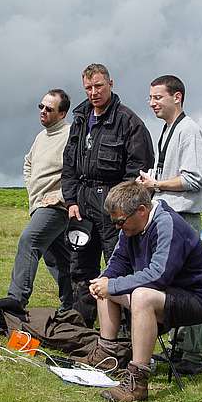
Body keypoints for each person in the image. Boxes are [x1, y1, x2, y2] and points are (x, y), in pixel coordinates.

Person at [85, 181, 202, 402]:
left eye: (120, 221)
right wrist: (104, 281)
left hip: (198, 299)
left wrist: (113, 286)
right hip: (166, 295)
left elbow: (159, 275)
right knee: (107, 285)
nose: (118, 228)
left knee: (141, 295)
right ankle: (108, 356)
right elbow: (118, 260)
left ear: (141, 211)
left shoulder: (168, 224)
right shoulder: (131, 228)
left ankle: (137, 382)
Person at [61, 63, 154, 327]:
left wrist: (121, 207)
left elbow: (139, 169)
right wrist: (71, 201)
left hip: (115, 204)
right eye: (88, 87)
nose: (93, 92)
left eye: (99, 86)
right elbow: (68, 164)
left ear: (111, 84)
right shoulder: (79, 119)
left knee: (119, 263)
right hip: (83, 200)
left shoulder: (129, 121)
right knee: (80, 264)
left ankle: (125, 328)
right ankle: (81, 323)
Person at [137, 75, 202, 375]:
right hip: (169, 216)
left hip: (184, 219)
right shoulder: (167, 129)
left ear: (176, 97)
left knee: (190, 288)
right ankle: (181, 348)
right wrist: (148, 182)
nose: (152, 103)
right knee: (172, 286)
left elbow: (194, 178)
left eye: (158, 97)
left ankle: (195, 355)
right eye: (151, 98)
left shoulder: (189, 130)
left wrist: (157, 183)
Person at [7, 89, 73, 311]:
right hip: (38, 205)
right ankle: (75, 306)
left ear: (62, 113)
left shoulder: (70, 135)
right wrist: (33, 189)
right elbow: (28, 163)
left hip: (56, 208)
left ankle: (15, 302)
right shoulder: (40, 137)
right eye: (41, 107)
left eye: (49, 109)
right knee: (59, 260)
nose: (43, 111)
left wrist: (61, 195)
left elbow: (80, 171)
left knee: (29, 241)